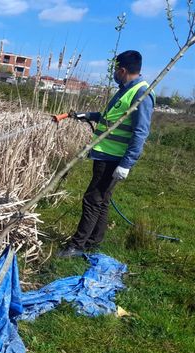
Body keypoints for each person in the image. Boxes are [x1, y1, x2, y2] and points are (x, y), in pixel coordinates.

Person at [58, 50, 155, 257]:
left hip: (114, 158)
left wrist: (126, 164)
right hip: (105, 155)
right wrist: (89, 116)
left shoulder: (141, 93)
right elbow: (113, 119)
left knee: (92, 199)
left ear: (122, 70)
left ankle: (76, 246)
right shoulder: (125, 90)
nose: (113, 74)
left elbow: (140, 131)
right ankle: (94, 241)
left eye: (115, 70)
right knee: (101, 200)